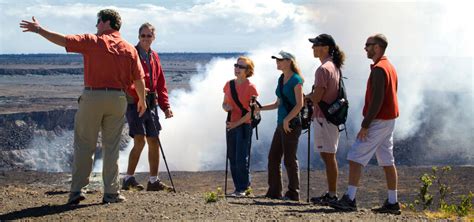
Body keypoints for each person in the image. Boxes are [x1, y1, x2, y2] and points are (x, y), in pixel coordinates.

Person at [20, 9, 147, 204]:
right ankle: (111, 193)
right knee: (111, 147)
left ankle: (78, 190)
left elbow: (63, 40)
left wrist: (39, 30)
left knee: (84, 145)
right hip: (118, 100)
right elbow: (139, 79)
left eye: (98, 22)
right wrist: (142, 101)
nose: (96, 26)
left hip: (93, 97)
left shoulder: (92, 41)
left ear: (105, 22)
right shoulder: (129, 48)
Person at [329, 34, 401, 215]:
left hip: (378, 121)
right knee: (387, 160)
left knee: (355, 156)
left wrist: (366, 124)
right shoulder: (389, 66)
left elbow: (377, 99)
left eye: (368, 45)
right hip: (389, 120)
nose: (365, 48)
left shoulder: (379, 69)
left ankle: (350, 199)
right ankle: (393, 202)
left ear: (377, 47)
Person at [121, 23, 174, 192]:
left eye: (148, 36)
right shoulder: (131, 54)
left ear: (153, 37)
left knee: (154, 140)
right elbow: (126, 81)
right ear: (138, 37)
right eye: (143, 36)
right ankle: (128, 178)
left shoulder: (154, 56)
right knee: (139, 139)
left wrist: (166, 106)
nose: (145, 38)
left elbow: (161, 83)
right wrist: (139, 94)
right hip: (134, 103)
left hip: (152, 103)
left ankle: (153, 181)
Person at [257, 50, 304, 201]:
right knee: (274, 157)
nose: (277, 62)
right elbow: (278, 103)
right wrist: (260, 108)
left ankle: (293, 193)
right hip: (281, 123)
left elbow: (300, 104)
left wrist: (287, 120)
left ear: (289, 61)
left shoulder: (296, 80)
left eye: (280, 60)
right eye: (276, 60)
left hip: (290, 125)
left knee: (289, 159)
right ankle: (274, 192)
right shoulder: (281, 79)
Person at [306, 34, 345, 205]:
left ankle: (332, 195)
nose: (313, 48)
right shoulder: (334, 66)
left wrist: (304, 98)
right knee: (328, 155)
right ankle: (331, 193)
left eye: (316, 45)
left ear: (326, 47)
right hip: (330, 117)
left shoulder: (322, 69)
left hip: (324, 118)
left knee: (329, 156)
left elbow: (317, 97)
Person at [222, 56, 258, 197]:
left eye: (241, 67)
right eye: (236, 65)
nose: (237, 68)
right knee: (232, 156)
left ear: (247, 71)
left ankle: (243, 188)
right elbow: (224, 103)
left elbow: (252, 112)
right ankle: (239, 188)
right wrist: (226, 107)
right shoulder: (229, 84)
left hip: (244, 125)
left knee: (241, 158)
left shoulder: (251, 88)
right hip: (231, 123)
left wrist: (235, 124)